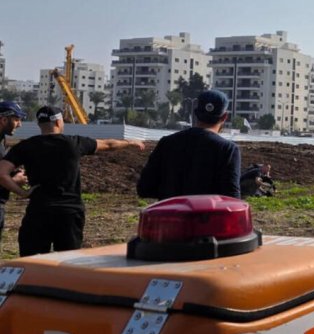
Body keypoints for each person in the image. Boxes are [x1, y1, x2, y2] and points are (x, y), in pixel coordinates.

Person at [0, 106, 145, 256]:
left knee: (32, 262)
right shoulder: (73, 143)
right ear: (58, 122)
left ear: (39, 124)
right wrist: (130, 142)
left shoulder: (25, 146)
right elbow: (109, 144)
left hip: (39, 212)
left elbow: (2, 173)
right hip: (69, 214)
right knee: (67, 261)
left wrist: (22, 193)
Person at [138, 90, 241, 201]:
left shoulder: (167, 143)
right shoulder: (228, 149)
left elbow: (144, 188)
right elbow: (232, 198)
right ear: (225, 117)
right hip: (208, 217)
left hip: (170, 215)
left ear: (195, 113)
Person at [0, 101, 28, 244]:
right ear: (4, 119)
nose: (19, 124)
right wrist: (14, 181)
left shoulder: (2, 140)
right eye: (17, 120)